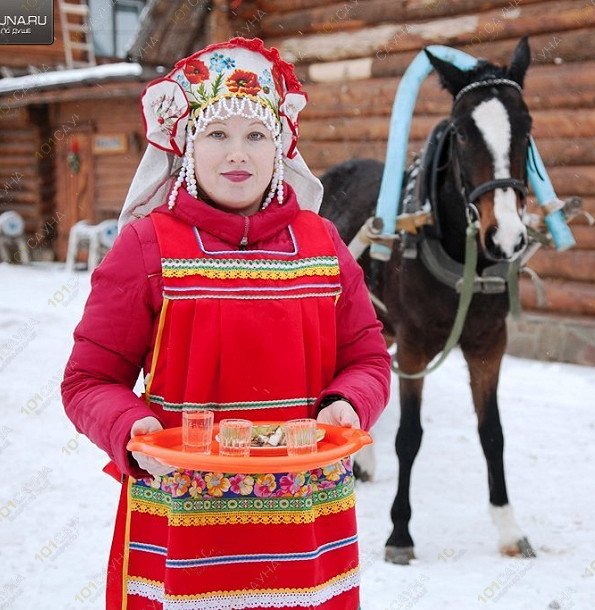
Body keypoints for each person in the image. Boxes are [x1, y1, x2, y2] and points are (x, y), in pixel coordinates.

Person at [61, 37, 391, 610]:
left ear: (279, 147)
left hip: (308, 531)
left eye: (255, 135)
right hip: (186, 526)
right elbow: (87, 382)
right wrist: (131, 431)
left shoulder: (322, 244)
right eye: (218, 134)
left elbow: (367, 357)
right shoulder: (146, 249)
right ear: (188, 145)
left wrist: (350, 403)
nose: (238, 153)